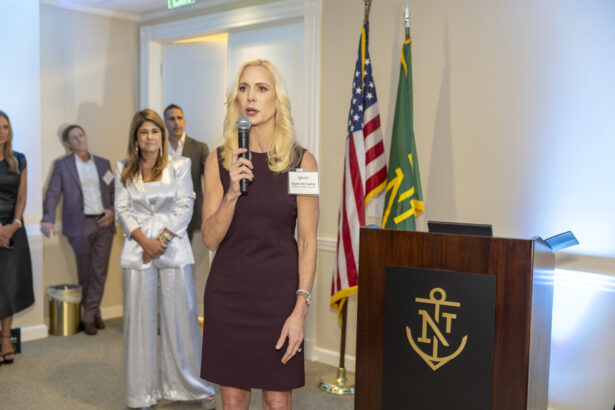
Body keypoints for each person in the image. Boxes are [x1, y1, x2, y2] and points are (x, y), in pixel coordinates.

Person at [200, 59, 319, 409]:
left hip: (278, 298)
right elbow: (209, 239)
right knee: (233, 400)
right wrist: (233, 192)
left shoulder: (303, 162)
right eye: (244, 87)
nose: (251, 96)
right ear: (235, 99)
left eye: (262, 88)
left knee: (276, 401)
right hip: (228, 295)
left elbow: (309, 241)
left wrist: (300, 310)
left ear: (277, 100)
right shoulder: (218, 161)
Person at [114, 109, 216, 409]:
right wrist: (145, 241)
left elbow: (186, 204)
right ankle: (142, 393)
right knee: (138, 323)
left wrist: (161, 241)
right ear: (136, 136)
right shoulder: (124, 168)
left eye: (155, 131)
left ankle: (192, 387)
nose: (150, 137)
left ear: (162, 135)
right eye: (144, 132)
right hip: (137, 253)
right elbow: (122, 210)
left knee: (181, 319)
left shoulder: (180, 165)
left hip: (173, 250)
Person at [41, 124, 115, 336]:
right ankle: (94, 311)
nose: (80, 140)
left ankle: (88, 316)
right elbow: (53, 193)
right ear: (67, 144)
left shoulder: (103, 164)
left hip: (104, 223)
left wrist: (111, 210)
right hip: (79, 225)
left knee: (99, 271)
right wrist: (48, 218)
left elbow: (115, 190)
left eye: (81, 135)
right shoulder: (62, 166)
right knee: (85, 273)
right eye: (74, 138)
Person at [0, 110, 34, 365]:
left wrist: (14, 225)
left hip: (13, 229)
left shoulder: (19, 159)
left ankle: (4, 339)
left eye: (5, 127)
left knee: (9, 287)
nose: (2, 131)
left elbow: (21, 196)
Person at [163, 104, 209, 241]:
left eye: (179, 118)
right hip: (163, 214)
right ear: (165, 122)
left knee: (188, 259)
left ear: (184, 121)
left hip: (191, 214)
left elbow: (210, 180)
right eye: (171, 119)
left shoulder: (199, 148)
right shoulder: (158, 148)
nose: (176, 122)